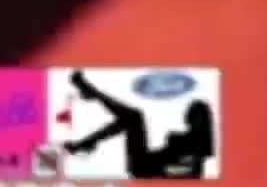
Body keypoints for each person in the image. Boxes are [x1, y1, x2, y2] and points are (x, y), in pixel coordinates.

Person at [64, 69, 216, 179]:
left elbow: (185, 171)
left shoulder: (199, 146)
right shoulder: (195, 143)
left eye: (194, 116)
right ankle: (86, 140)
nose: (190, 119)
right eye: (192, 115)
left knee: (133, 117)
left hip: (145, 168)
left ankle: (93, 98)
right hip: (146, 163)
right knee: (131, 118)